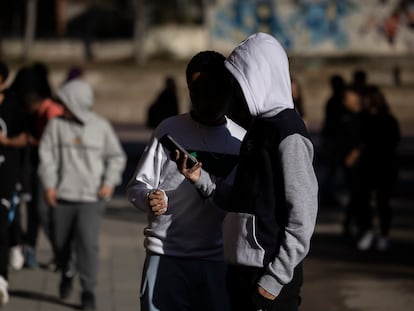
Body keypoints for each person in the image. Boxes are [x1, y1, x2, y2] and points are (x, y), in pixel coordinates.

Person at [174, 33, 318, 311]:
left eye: (241, 79)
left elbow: (302, 219)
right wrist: (200, 179)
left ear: (262, 76)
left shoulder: (289, 133)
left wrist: (273, 281)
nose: (236, 89)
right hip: (241, 272)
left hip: (268, 279)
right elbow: (241, 197)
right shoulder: (259, 128)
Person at [127, 51, 246, 311]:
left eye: (210, 90)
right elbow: (137, 187)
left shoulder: (241, 141)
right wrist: (148, 198)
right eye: (195, 91)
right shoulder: (168, 130)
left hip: (218, 261)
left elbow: (242, 202)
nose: (202, 100)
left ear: (227, 88)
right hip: (165, 256)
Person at [38, 79, 126, 310]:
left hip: (91, 198)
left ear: (76, 104)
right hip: (62, 196)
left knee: (88, 244)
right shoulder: (56, 126)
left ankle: (88, 291)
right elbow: (46, 154)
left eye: (66, 103)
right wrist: (49, 184)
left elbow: (116, 157)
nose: (62, 108)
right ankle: (67, 271)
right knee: (60, 243)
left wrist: (108, 183)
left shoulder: (101, 127)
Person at [356, 85, 400, 251]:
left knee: (383, 203)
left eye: (365, 99)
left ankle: (384, 234)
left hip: (384, 167)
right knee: (364, 202)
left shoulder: (388, 120)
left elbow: (392, 143)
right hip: (367, 167)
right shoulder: (363, 119)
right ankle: (367, 232)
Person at [0, 61, 28, 306]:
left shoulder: (13, 106)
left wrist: (6, 141)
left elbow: (26, 138)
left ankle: (1, 278)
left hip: (6, 173)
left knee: (1, 223)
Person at [320, 74, 347, 206]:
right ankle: (328, 195)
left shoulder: (334, 101)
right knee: (332, 169)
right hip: (333, 139)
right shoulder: (336, 101)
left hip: (333, 139)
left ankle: (329, 194)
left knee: (333, 169)